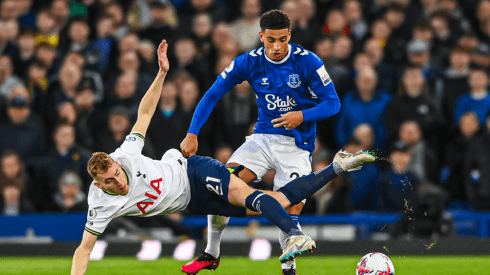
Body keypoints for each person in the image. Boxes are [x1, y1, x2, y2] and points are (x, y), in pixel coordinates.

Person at [70, 39, 375, 275]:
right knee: (280, 202)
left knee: (254, 197)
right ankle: (337, 166)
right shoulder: (99, 204)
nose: (118, 182)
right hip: (194, 201)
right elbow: (84, 249)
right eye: (109, 182)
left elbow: (145, 112)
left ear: (115, 163)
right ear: (97, 183)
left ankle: (294, 234)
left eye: (116, 174)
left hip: (194, 172)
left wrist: (162, 73)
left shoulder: (126, 154)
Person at [180, 10, 341, 275]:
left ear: (289, 36)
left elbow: (333, 103)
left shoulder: (309, 62)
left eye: (282, 40)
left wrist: (302, 115)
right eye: (270, 40)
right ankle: (211, 253)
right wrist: (192, 132)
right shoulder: (248, 61)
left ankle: (288, 268)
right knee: (222, 184)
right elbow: (211, 95)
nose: (277, 47)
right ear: (261, 36)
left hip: (297, 145)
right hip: (262, 138)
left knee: (291, 205)